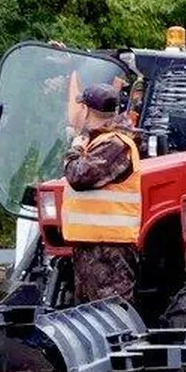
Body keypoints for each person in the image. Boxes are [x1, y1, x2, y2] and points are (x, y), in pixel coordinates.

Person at [60, 84, 143, 304]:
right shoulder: (101, 142)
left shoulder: (115, 144)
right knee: (91, 317)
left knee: (111, 315)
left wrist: (74, 148)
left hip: (109, 249)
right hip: (94, 245)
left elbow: (78, 175)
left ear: (86, 110)